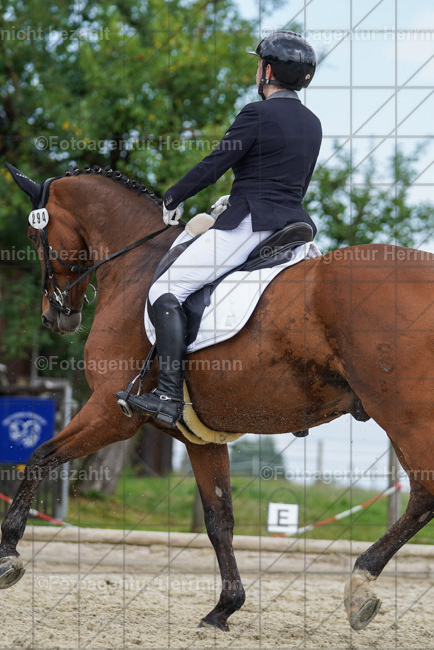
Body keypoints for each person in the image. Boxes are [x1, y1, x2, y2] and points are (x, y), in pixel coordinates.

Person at [126, 30, 322, 426]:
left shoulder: (256, 113)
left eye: (258, 64)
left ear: (266, 71)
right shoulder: (312, 123)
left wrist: (173, 196)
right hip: (294, 227)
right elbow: (293, 184)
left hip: (250, 224)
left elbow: (216, 164)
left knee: (167, 288)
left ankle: (166, 394)